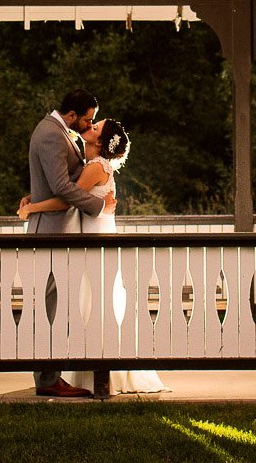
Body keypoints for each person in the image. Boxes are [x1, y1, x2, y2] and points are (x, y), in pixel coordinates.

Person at [20, 118, 169, 396]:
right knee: (89, 305)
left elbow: (66, 198)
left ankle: (101, 373)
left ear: (99, 142)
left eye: (95, 127)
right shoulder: (92, 167)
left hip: (93, 243)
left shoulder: (96, 167)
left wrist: (33, 208)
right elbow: (66, 187)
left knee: (94, 303)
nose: (89, 128)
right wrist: (33, 197)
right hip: (89, 240)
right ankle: (92, 372)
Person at [26, 89, 116, 398]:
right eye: (87, 119)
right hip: (51, 231)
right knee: (50, 308)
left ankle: (51, 375)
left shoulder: (58, 132)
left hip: (59, 229)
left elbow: (67, 178)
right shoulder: (51, 135)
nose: (88, 126)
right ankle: (48, 379)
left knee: (57, 306)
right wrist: (97, 205)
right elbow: (62, 186)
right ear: (72, 115)